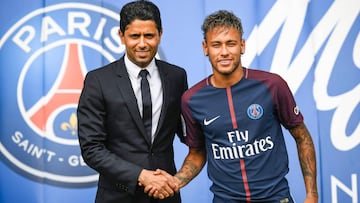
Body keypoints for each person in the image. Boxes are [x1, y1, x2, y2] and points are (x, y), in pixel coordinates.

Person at [152, 10, 318, 203]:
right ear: (205, 48)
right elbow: (197, 153)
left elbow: (302, 136)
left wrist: (312, 195)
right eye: (216, 45)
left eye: (230, 43)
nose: (224, 52)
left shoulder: (272, 85)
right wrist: (175, 181)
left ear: (242, 45)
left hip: (275, 197)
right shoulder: (192, 100)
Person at [77, 1, 187, 203]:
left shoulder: (177, 76)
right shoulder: (98, 80)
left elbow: (188, 132)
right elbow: (91, 148)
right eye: (135, 36)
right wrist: (141, 176)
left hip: (166, 195)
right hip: (117, 195)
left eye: (149, 36)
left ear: (160, 34)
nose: (142, 44)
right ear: (121, 36)